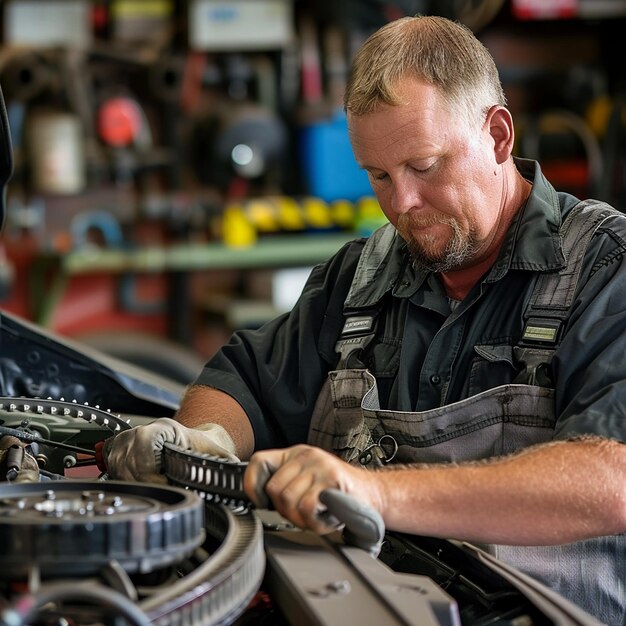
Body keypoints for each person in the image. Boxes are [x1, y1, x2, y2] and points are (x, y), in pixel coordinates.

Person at [104, 15, 626, 623]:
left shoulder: (603, 269)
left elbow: (610, 478)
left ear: (499, 136)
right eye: (379, 175)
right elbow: (244, 381)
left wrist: (376, 491)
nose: (402, 203)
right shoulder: (358, 280)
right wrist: (203, 441)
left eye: (425, 167)